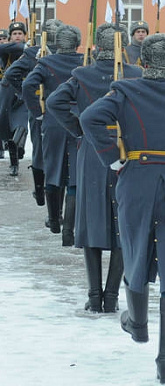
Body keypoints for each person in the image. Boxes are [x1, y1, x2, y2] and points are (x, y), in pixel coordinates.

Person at [80, 33, 165, 383]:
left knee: (135, 248)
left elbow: (90, 118)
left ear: (143, 61)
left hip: (137, 175)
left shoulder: (124, 90)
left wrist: (111, 157)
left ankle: (138, 325)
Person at [46, 23, 142, 313]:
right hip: (125, 147)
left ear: (98, 46)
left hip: (91, 149)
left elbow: (54, 102)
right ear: (123, 45)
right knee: (122, 222)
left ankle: (95, 295)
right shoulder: (135, 74)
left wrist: (79, 128)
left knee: (91, 220)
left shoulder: (83, 75)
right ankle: (111, 296)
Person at [23, 25, 83, 246]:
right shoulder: (84, 62)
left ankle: (54, 218)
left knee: (53, 167)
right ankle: (69, 227)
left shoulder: (46, 63)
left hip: (52, 119)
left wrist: (37, 113)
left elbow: (28, 84)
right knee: (75, 172)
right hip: (77, 119)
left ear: (57, 43)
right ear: (77, 43)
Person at [3, 19, 62, 202]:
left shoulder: (31, 52)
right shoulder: (67, 54)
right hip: (59, 108)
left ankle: (41, 191)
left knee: (39, 146)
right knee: (58, 150)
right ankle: (53, 189)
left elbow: (11, 74)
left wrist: (26, 92)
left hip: (38, 104)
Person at [0, 22, 28, 175]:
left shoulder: (30, 50)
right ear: (10, 37)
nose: (18, 36)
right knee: (7, 128)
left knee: (21, 123)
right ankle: (14, 163)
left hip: (23, 91)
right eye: (15, 34)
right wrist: (24, 47)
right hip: (7, 91)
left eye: (20, 34)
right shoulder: (8, 50)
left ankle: (20, 146)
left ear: (25, 36)